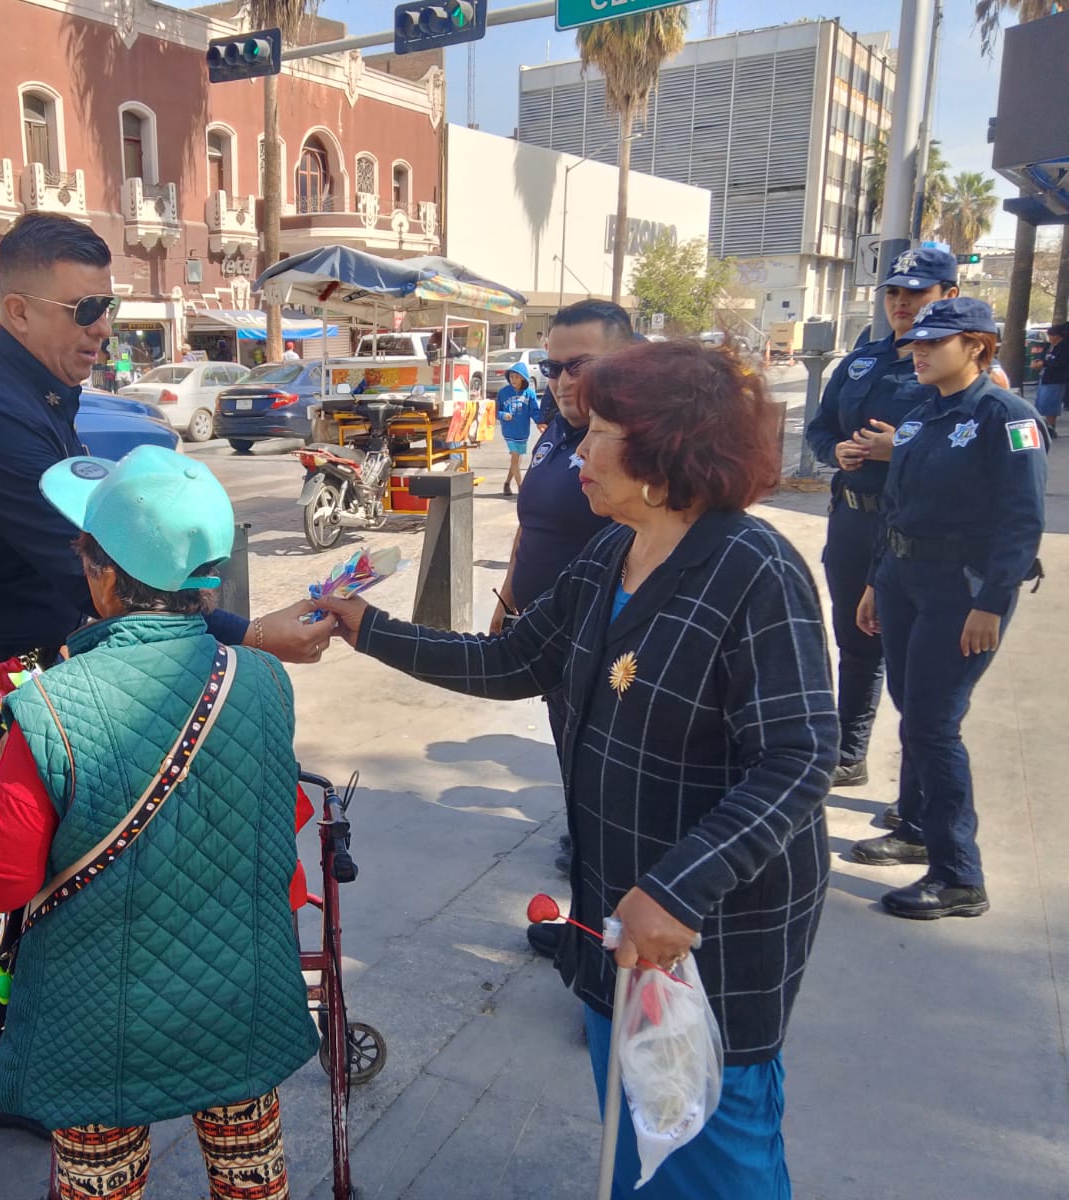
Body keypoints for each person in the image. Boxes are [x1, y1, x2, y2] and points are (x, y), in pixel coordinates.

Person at [0, 213, 336, 1200]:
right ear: (17, 309)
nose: (102, 327)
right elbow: (91, 571)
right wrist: (248, 636)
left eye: (109, 306)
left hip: (21, 683)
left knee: (31, 892)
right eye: (85, 310)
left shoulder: (40, 390)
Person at [322, 341, 837, 1199]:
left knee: (712, 1146)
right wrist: (366, 627)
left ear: (663, 448)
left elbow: (798, 756)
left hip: (712, 924)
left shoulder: (754, 569)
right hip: (615, 906)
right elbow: (515, 660)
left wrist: (680, 888)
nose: (576, 451)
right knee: (638, 1123)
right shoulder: (610, 554)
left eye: (598, 431)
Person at [0, 446, 317, 1200]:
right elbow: (277, 830)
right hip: (237, 997)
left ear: (101, 573)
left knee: (101, 1184)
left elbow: (0, 879)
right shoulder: (261, 679)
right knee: (251, 1178)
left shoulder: (49, 704)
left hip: (99, 1025)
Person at [850, 298, 1047, 920]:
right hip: (906, 579)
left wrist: (992, 601)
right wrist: (878, 581)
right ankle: (914, 827)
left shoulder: (1007, 418)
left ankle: (959, 874)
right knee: (915, 714)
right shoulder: (919, 417)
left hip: (962, 591)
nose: (921, 351)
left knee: (934, 724)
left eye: (937, 342)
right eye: (918, 344)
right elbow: (897, 506)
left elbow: (1023, 520)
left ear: (979, 347)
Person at [489, 301, 632, 943]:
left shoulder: (634, 442)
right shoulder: (555, 429)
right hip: (549, 640)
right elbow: (531, 528)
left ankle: (608, 955)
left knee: (613, 801)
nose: (563, 380)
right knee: (579, 782)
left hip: (610, 647)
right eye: (553, 367)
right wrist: (507, 604)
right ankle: (587, 925)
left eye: (581, 365)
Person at [804, 246, 958, 800]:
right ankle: (849, 754)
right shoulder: (862, 360)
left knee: (915, 663)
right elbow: (818, 428)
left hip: (916, 534)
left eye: (916, 293)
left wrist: (903, 448)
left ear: (949, 297)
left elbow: (972, 442)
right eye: (894, 292)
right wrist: (837, 449)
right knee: (856, 640)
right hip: (853, 522)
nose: (902, 303)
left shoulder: (960, 364)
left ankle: (917, 802)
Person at [494, 361, 537, 496]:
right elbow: (495, 411)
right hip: (509, 431)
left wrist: (541, 422)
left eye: (517, 377)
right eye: (511, 377)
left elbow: (534, 410)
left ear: (523, 378)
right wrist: (503, 415)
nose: (513, 380)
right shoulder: (503, 392)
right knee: (515, 458)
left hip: (523, 431)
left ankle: (507, 483)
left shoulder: (529, 394)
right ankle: (522, 489)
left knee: (516, 462)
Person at [1035, 322, 1068, 438]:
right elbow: (1044, 357)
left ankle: (1050, 427)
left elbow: (1060, 362)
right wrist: (1039, 361)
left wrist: (1044, 363)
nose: (1050, 339)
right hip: (1045, 377)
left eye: (1051, 336)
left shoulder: (1063, 347)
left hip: (1056, 379)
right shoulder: (1050, 346)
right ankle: (1046, 426)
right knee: (1043, 402)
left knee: (1051, 404)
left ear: (1057, 336)